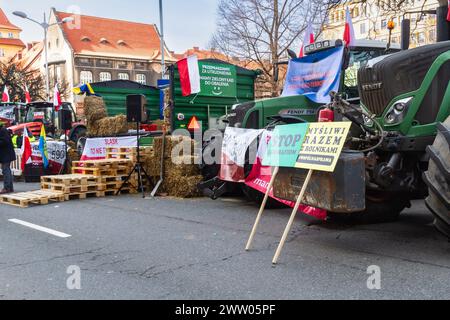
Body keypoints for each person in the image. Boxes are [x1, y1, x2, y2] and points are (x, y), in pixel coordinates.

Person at [0, 123, 16, 194]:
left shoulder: (3, 130)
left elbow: (5, 141)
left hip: (6, 154)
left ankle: (7, 188)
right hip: (6, 154)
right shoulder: (3, 130)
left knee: (5, 171)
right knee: (7, 170)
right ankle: (10, 188)